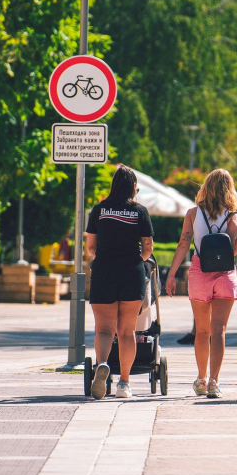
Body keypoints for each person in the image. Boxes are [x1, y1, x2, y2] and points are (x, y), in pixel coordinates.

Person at [166, 169, 237, 399]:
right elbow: (232, 250)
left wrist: (171, 274)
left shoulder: (193, 213)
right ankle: (214, 381)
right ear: (229, 189)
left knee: (201, 331)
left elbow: (184, 245)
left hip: (199, 271)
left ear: (206, 187)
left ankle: (201, 378)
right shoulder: (232, 215)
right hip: (224, 274)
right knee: (219, 330)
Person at [85, 165, 154, 400]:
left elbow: (91, 247)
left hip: (104, 270)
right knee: (126, 331)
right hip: (131, 273)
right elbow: (148, 248)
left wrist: (104, 257)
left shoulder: (99, 209)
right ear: (133, 188)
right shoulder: (140, 211)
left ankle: (103, 363)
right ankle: (124, 384)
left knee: (104, 329)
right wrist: (137, 260)